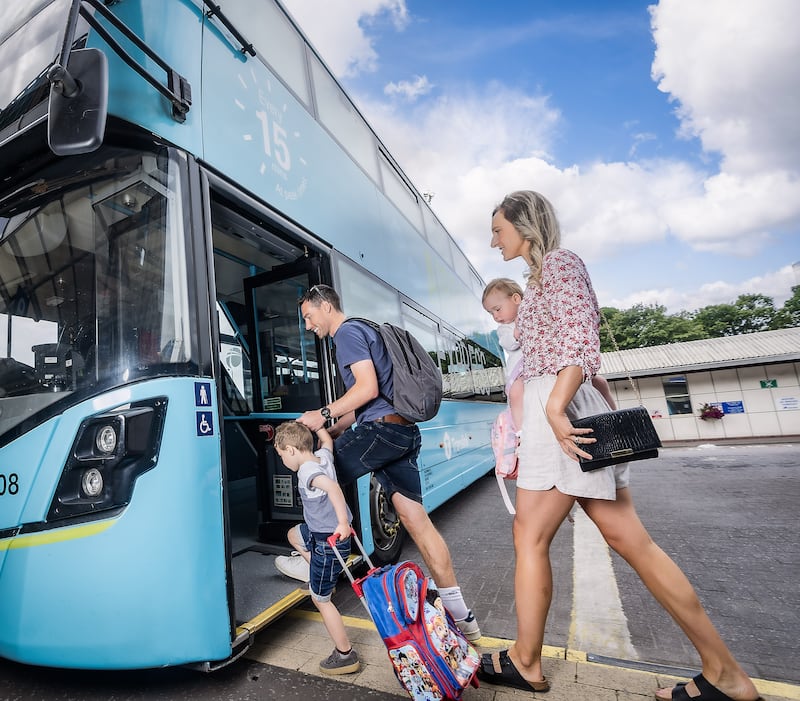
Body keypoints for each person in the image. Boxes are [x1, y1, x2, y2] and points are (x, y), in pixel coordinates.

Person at [477, 190, 763, 701]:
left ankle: (526, 661)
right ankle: (726, 673)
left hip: (558, 409)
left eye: (498, 229)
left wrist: (554, 408)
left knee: (531, 535)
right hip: (563, 405)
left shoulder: (561, 264)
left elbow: (582, 343)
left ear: (524, 226)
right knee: (626, 540)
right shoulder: (539, 278)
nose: (493, 239)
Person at [294, 284, 481, 642]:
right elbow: (363, 407)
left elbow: (366, 389)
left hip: (381, 433)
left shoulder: (346, 333)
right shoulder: (366, 328)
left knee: (315, 477)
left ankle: (313, 553)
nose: (307, 325)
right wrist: (329, 427)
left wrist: (321, 413)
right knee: (417, 522)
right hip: (402, 433)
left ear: (326, 306)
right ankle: (462, 614)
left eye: (308, 316)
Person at [272, 421, 361, 675]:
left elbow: (332, 488)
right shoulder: (322, 457)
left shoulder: (307, 471)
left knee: (320, 599)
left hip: (328, 542)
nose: (282, 461)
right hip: (317, 532)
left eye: (281, 455)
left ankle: (345, 654)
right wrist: (319, 426)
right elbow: (328, 443)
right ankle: (312, 568)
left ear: (290, 450)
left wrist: (343, 522)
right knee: (293, 535)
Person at [482, 277, 617, 433]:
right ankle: (520, 431)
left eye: (497, 309)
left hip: (550, 362)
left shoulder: (536, 312)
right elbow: (508, 343)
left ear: (516, 299)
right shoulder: (505, 328)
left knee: (599, 382)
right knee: (516, 392)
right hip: (522, 372)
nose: (496, 316)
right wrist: (518, 330)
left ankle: (614, 416)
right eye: (491, 313)